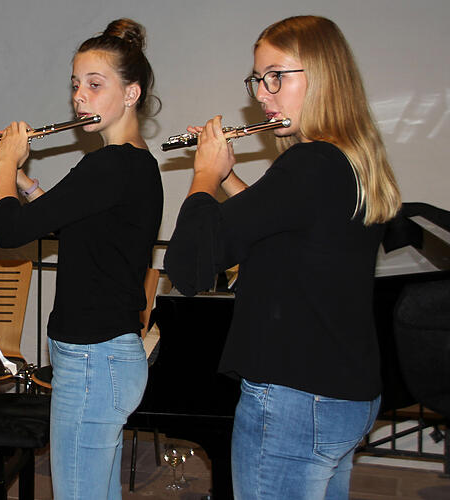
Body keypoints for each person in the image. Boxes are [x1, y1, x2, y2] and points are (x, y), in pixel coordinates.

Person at [164, 15, 401, 500]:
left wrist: (204, 176)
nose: (263, 93)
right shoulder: (346, 159)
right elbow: (282, 228)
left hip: (295, 399)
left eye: (277, 76)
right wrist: (229, 177)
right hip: (342, 394)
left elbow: (188, 264)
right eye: (257, 79)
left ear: (322, 75)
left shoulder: (308, 163)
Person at [0, 18, 163, 500]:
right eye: (75, 85)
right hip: (102, 356)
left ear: (131, 93)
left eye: (94, 84)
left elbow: (10, 231)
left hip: (94, 358)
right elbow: (80, 225)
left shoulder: (108, 165)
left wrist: (3, 166)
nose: (79, 97)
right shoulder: (135, 164)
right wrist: (25, 183)